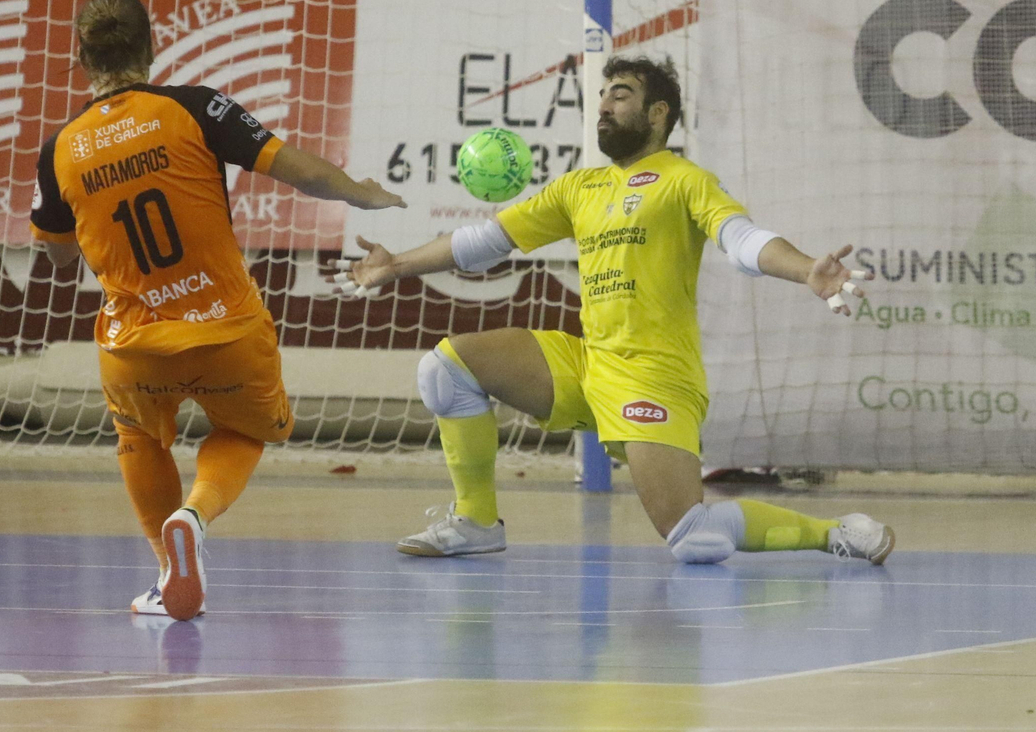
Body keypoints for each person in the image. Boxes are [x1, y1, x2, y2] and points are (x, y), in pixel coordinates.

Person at [333, 55, 895, 565]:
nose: (604, 105)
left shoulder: (685, 180)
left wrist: (805, 271)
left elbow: (742, 240)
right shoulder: (581, 187)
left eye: (620, 94)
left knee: (694, 538)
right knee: (445, 368)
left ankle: (833, 532)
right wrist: (395, 265)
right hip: (588, 364)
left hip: (655, 376)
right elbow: (485, 241)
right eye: (603, 94)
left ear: (657, 113)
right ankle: (476, 521)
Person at [30, 0, 404, 620]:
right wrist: (359, 193)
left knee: (135, 431)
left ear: (80, 59)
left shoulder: (58, 149)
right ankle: (195, 514)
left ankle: (165, 571)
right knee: (244, 428)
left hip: (134, 347)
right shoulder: (195, 107)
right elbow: (300, 173)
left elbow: (59, 257)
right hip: (225, 329)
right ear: (151, 48)